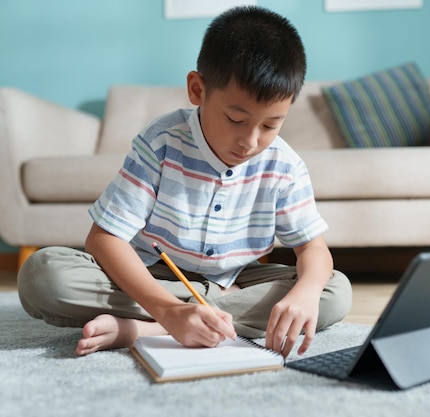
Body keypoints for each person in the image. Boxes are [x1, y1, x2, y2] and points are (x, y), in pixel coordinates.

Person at [17, 5, 352, 358]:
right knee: (44, 275)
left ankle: (148, 329)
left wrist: (306, 292)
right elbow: (103, 240)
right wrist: (170, 307)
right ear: (197, 89)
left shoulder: (284, 165)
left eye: (270, 125)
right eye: (235, 119)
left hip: (232, 280)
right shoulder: (162, 142)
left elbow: (313, 249)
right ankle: (180, 317)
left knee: (332, 291)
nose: (250, 141)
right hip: (150, 274)